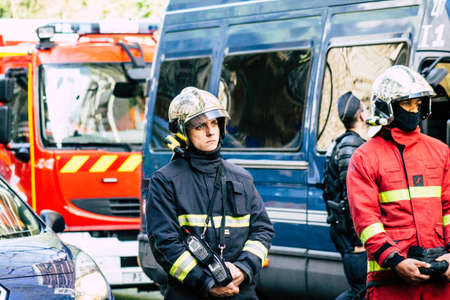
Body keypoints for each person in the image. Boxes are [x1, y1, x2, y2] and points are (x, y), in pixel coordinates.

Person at [146, 87, 274, 299]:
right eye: (200, 126)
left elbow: (263, 230)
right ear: (181, 131)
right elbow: (165, 245)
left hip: (240, 292)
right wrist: (206, 283)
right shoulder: (165, 181)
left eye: (214, 123)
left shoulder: (241, 177)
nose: (210, 131)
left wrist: (242, 269)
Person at [347, 65, 450, 300]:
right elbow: (367, 221)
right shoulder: (364, 158)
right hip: (390, 285)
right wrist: (395, 261)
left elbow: (449, 208)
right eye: (407, 103)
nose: (414, 110)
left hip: (440, 282)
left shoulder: (441, 153)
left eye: (418, 103)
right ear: (387, 106)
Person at [323, 92, 369, 300]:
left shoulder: (343, 142)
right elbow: (353, 196)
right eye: (365, 108)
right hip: (351, 235)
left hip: (345, 230)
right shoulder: (351, 145)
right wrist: (358, 238)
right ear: (360, 115)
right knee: (360, 291)